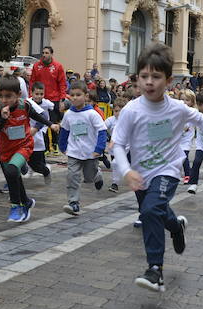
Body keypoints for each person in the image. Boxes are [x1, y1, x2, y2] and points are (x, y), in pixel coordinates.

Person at [112, 44, 203, 293]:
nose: (149, 82)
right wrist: (126, 171)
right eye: (144, 76)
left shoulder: (176, 108)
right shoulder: (131, 110)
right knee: (153, 210)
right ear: (137, 78)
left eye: (156, 77)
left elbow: (202, 120)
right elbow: (119, 145)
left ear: (168, 80)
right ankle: (176, 226)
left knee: (151, 210)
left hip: (168, 170)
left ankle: (155, 270)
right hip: (139, 173)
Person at [0, 75, 58, 222]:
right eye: (1, 96)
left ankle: (16, 206)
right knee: (11, 176)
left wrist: (50, 124)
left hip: (24, 145)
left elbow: (38, 116)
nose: (4, 100)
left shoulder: (25, 105)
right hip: (5, 149)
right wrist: (2, 118)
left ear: (18, 95)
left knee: (12, 169)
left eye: (8, 96)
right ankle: (26, 202)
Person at [59, 81, 106, 216]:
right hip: (73, 152)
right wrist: (62, 146)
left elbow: (102, 131)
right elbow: (64, 130)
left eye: (78, 95)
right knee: (72, 176)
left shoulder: (92, 114)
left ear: (86, 96)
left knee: (89, 178)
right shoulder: (68, 114)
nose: (74, 98)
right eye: (72, 95)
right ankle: (74, 203)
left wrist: (99, 148)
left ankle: (97, 175)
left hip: (90, 153)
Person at [30, 46, 68, 150]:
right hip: (39, 99)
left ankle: (55, 145)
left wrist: (62, 99)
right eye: (43, 53)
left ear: (51, 54)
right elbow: (32, 81)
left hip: (53, 99)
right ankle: (46, 147)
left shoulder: (58, 66)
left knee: (53, 122)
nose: (44, 55)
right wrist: (31, 96)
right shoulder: (36, 66)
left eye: (46, 53)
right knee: (42, 122)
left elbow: (62, 84)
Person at [26, 81, 53, 182]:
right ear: (31, 93)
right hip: (27, 131)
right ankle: (32, 168)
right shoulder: (27, 102)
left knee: (37, 156)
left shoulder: (45, 103)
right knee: (27, 156)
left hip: (40, 130)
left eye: (41, 94)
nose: (39, 96)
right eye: (36, 94)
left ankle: (45, 170)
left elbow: (48, 112)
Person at [105, 97, 127, 193]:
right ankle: (115, 183)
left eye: (121, 111)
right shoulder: (111, 120)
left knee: (116, 163)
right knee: (115, 164)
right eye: (116, 111)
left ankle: (116, 182)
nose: (118, 113)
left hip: (128, 147)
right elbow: (102, 127)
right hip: (114, 147)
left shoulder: (129, 120)